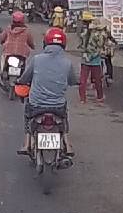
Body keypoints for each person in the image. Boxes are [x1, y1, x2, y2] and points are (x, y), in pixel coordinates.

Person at [16, 27, 79, 156]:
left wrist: (19, 81)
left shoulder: (37, 59)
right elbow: (73, 81)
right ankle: (67, 144)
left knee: (28, 116)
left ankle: (27, 143)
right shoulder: (67, 63)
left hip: (36, 105)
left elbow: (25, 78)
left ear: (45, 43)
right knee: (64, 119)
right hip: (58, 106)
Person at [79, 17, 111, 103]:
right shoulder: (100, 35)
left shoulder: (85, 33)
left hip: (85, 59)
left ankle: (82, 98)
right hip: (95, 60)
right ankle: (100, 97)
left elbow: (82, 45)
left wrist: (86, 55)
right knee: (97, 80)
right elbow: (101, 48)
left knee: (83, 80)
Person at [0, 10, 34, 81]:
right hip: (22, 53)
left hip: (9, 52)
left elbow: (2, 38)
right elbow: (30, 42)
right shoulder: (26, 31)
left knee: (4, 62)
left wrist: (2, 42)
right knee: (23, 66)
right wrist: (32, 46)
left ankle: (3, 73)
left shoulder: (8, 29)